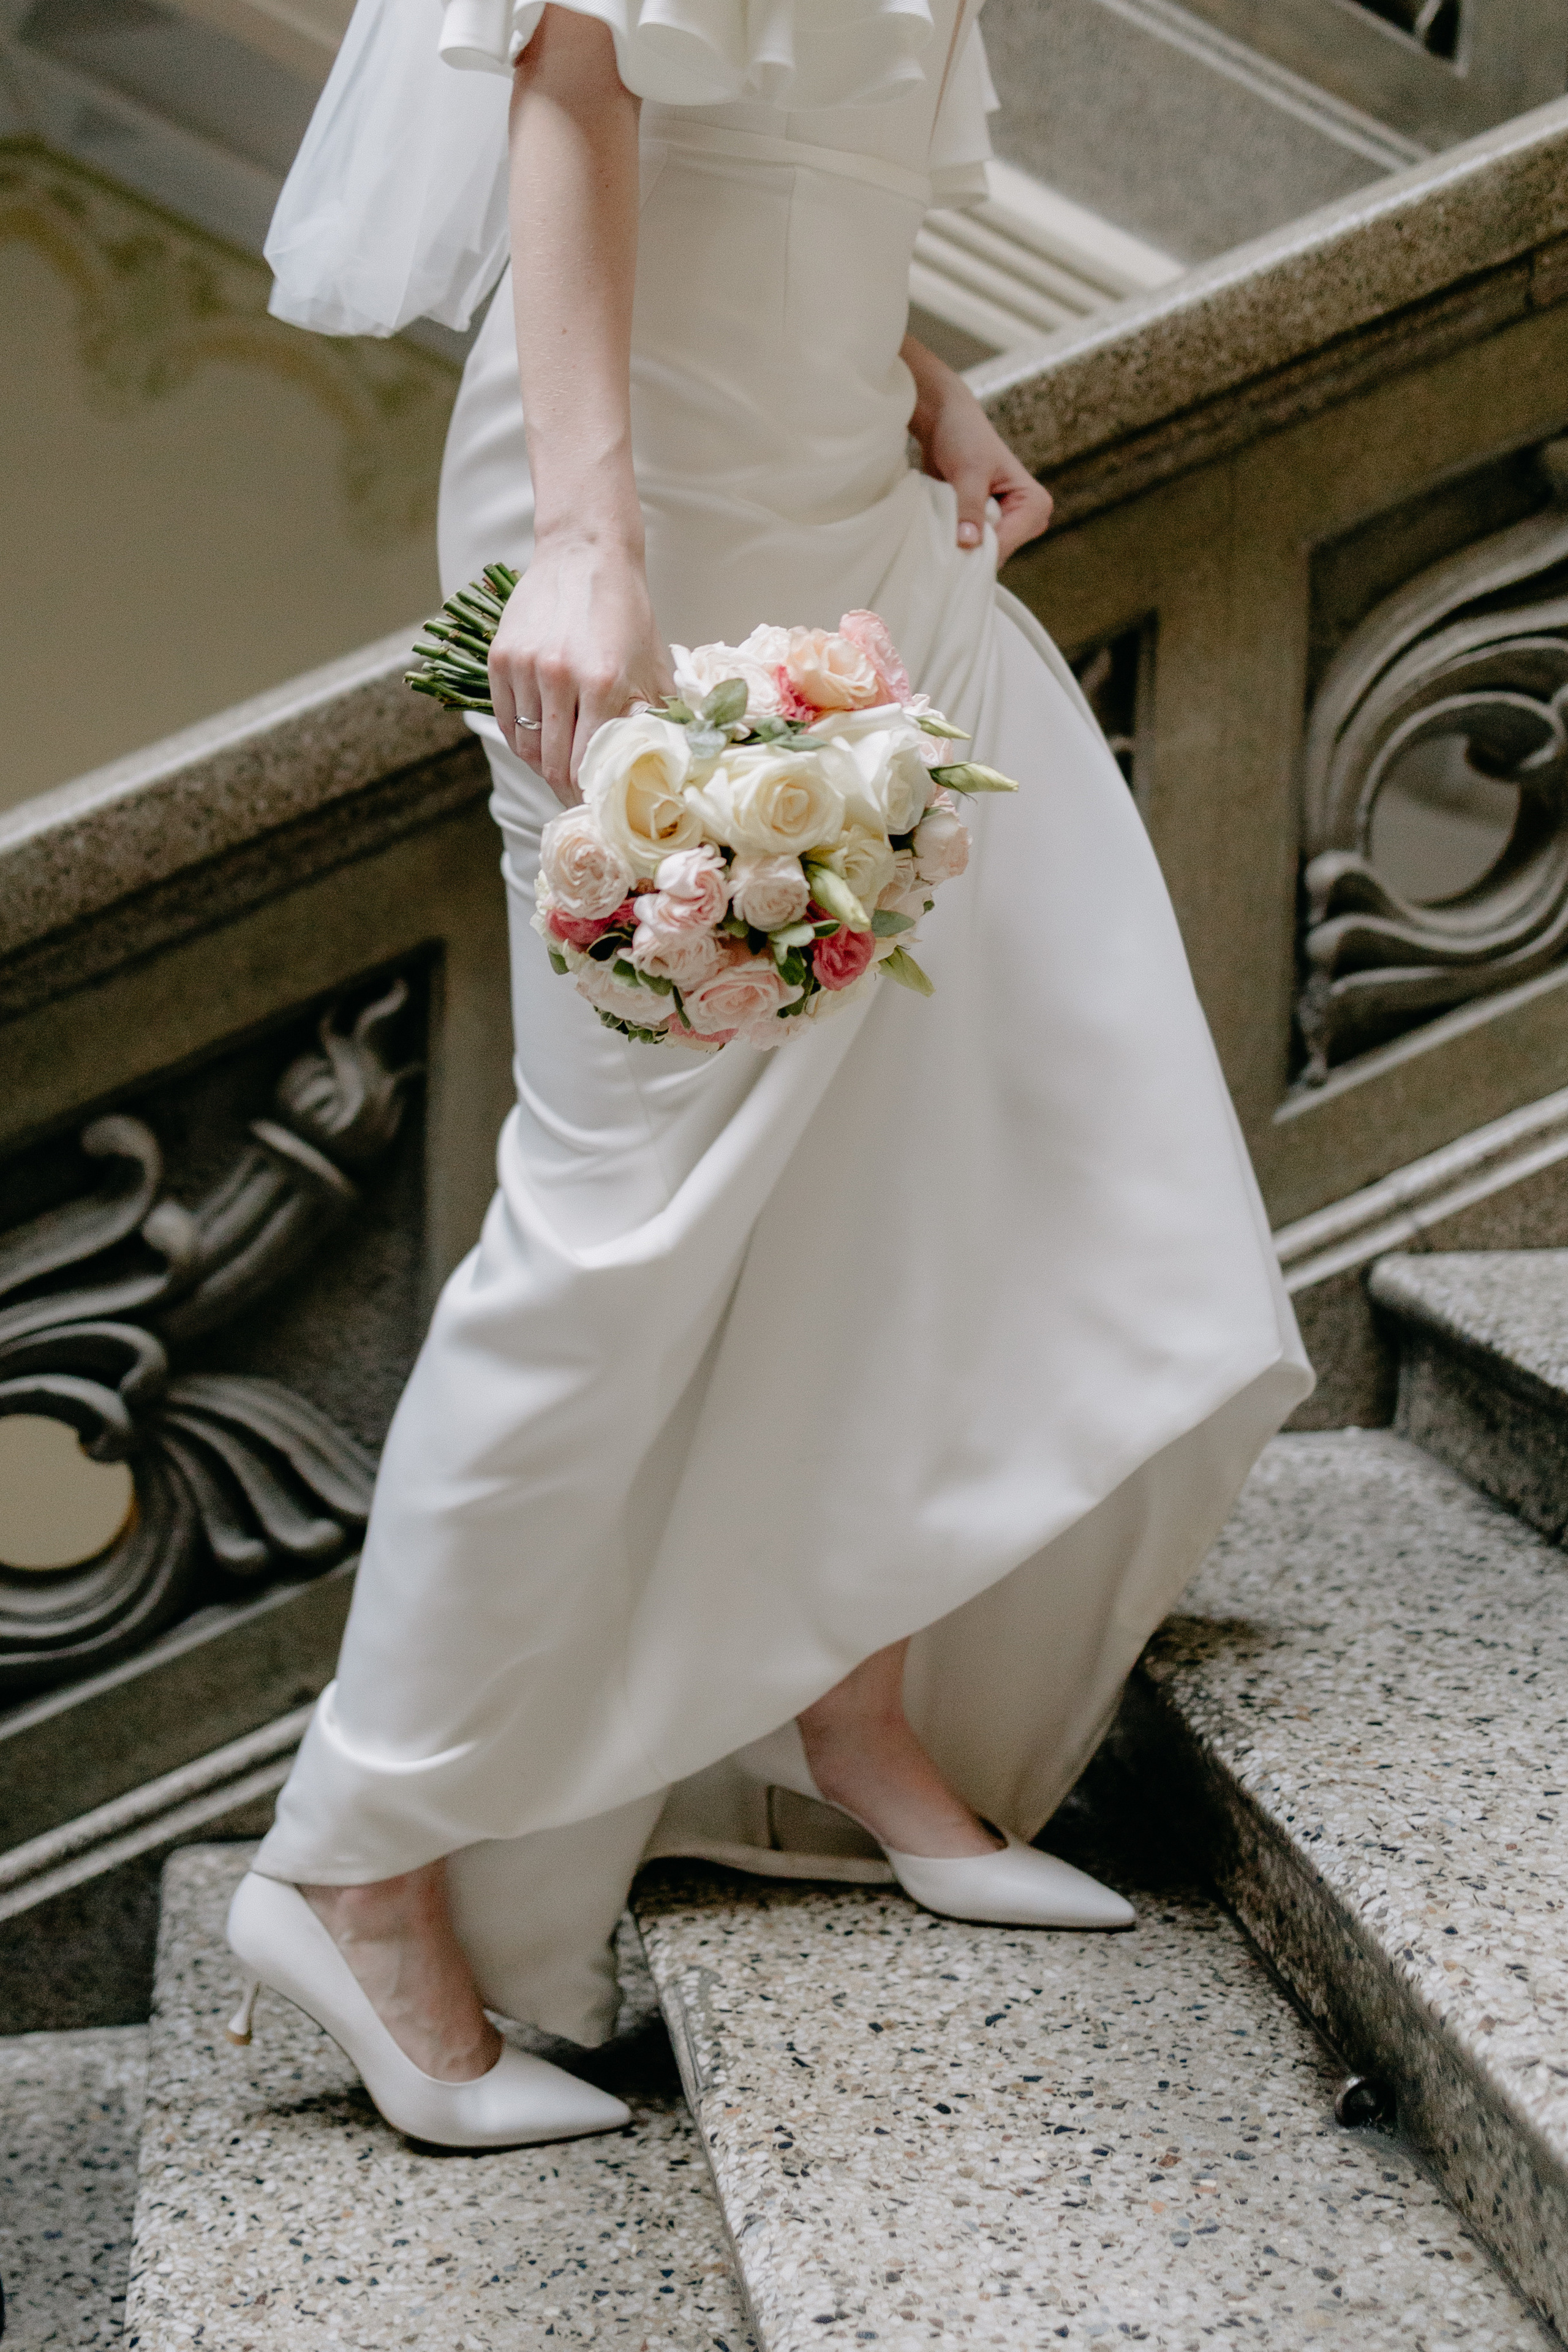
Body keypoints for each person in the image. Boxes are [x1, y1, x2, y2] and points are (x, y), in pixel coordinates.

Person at [227, 0, 1313, 2148]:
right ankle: (354, 1851)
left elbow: (789, 125)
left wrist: (920, 376)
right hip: (640, 525)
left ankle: (853, 1708)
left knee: (934, 1118)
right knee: (620, 1217)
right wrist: (593, 534)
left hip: (854, 503)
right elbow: (577, 80)